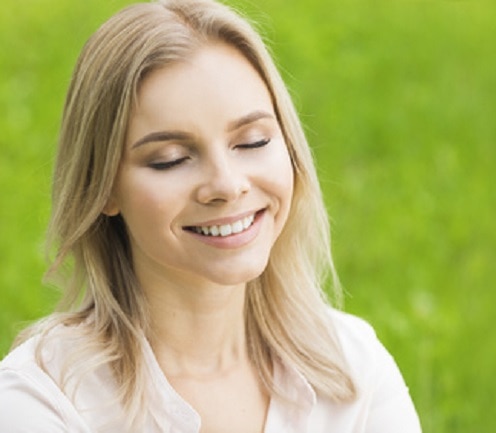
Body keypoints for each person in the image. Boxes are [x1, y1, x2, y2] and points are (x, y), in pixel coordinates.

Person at [0, 0, 422, 431]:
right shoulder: (44, 401)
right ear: (104, 187)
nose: (226, 184)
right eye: (170, 159)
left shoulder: (353, 369)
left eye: (253, 141)